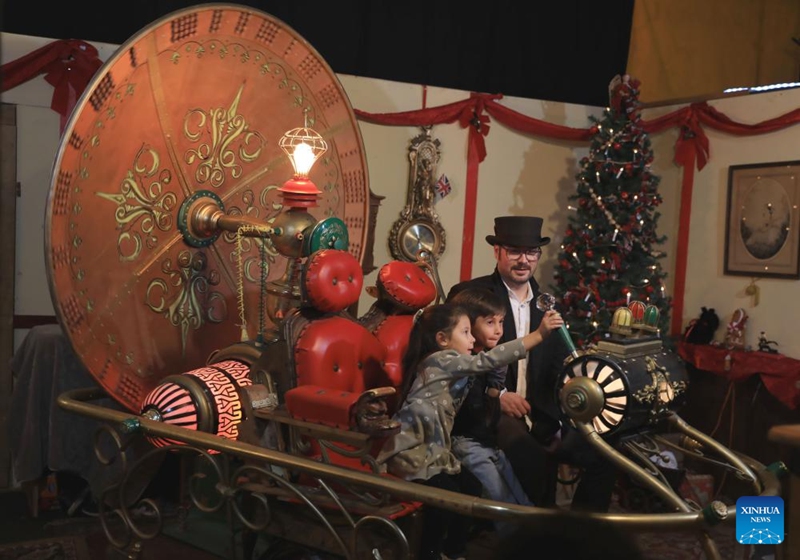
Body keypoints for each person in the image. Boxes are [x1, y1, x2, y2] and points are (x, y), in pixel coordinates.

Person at [446, 215, 618, 512]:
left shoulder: (548, 304)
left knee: (604, 454)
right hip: (488, 410)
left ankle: (580, 532)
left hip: (542, 411)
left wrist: (560, 418)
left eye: (531, 252)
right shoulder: (470, 296)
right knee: (532, 456)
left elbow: (556, 369)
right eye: (514, 251)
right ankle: (538, 534)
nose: (524, 260)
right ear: (497, 251)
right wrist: (498, 397)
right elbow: (457, 365)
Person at [377, 302, 563, 560]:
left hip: (435, 450)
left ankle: (453, 551)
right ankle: (429, 554)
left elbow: (484, 375)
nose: (472, 338)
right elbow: (485, 362)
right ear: (442, 339)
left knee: (471, 487)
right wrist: (539, 334)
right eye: (465, 332)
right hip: (415, 449)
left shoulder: (454, 364)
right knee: (442, 502)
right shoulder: (441, 360)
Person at [448, 288, 532, 534]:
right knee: (500, 502)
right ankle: (515, 548)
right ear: (469, 327)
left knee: (520, 496)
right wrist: (494, 390)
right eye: (490, 322)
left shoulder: (486, 361)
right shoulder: (464, 365)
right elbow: (472, 408)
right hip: (467, 443)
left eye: (501, 322)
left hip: (487, 440)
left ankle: (539, 537)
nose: (498, 329)